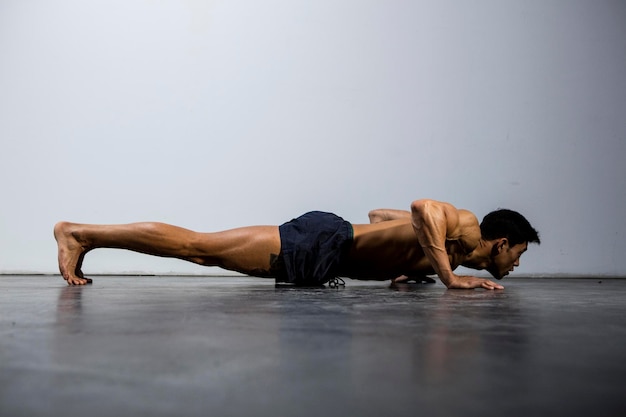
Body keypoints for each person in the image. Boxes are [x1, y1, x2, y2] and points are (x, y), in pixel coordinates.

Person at [54, 199, 540, 290]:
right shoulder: (468, 227)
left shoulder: (448, 249)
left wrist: (410, 266)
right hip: (320, 243)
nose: (517, 263)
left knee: (199, 249)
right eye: (519, 253)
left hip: (324, 251)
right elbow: (422, 208)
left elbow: (379, 216)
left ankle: (85, 234)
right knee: (197, 247)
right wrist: (450, 276)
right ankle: (80, 233)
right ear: (501, 242)